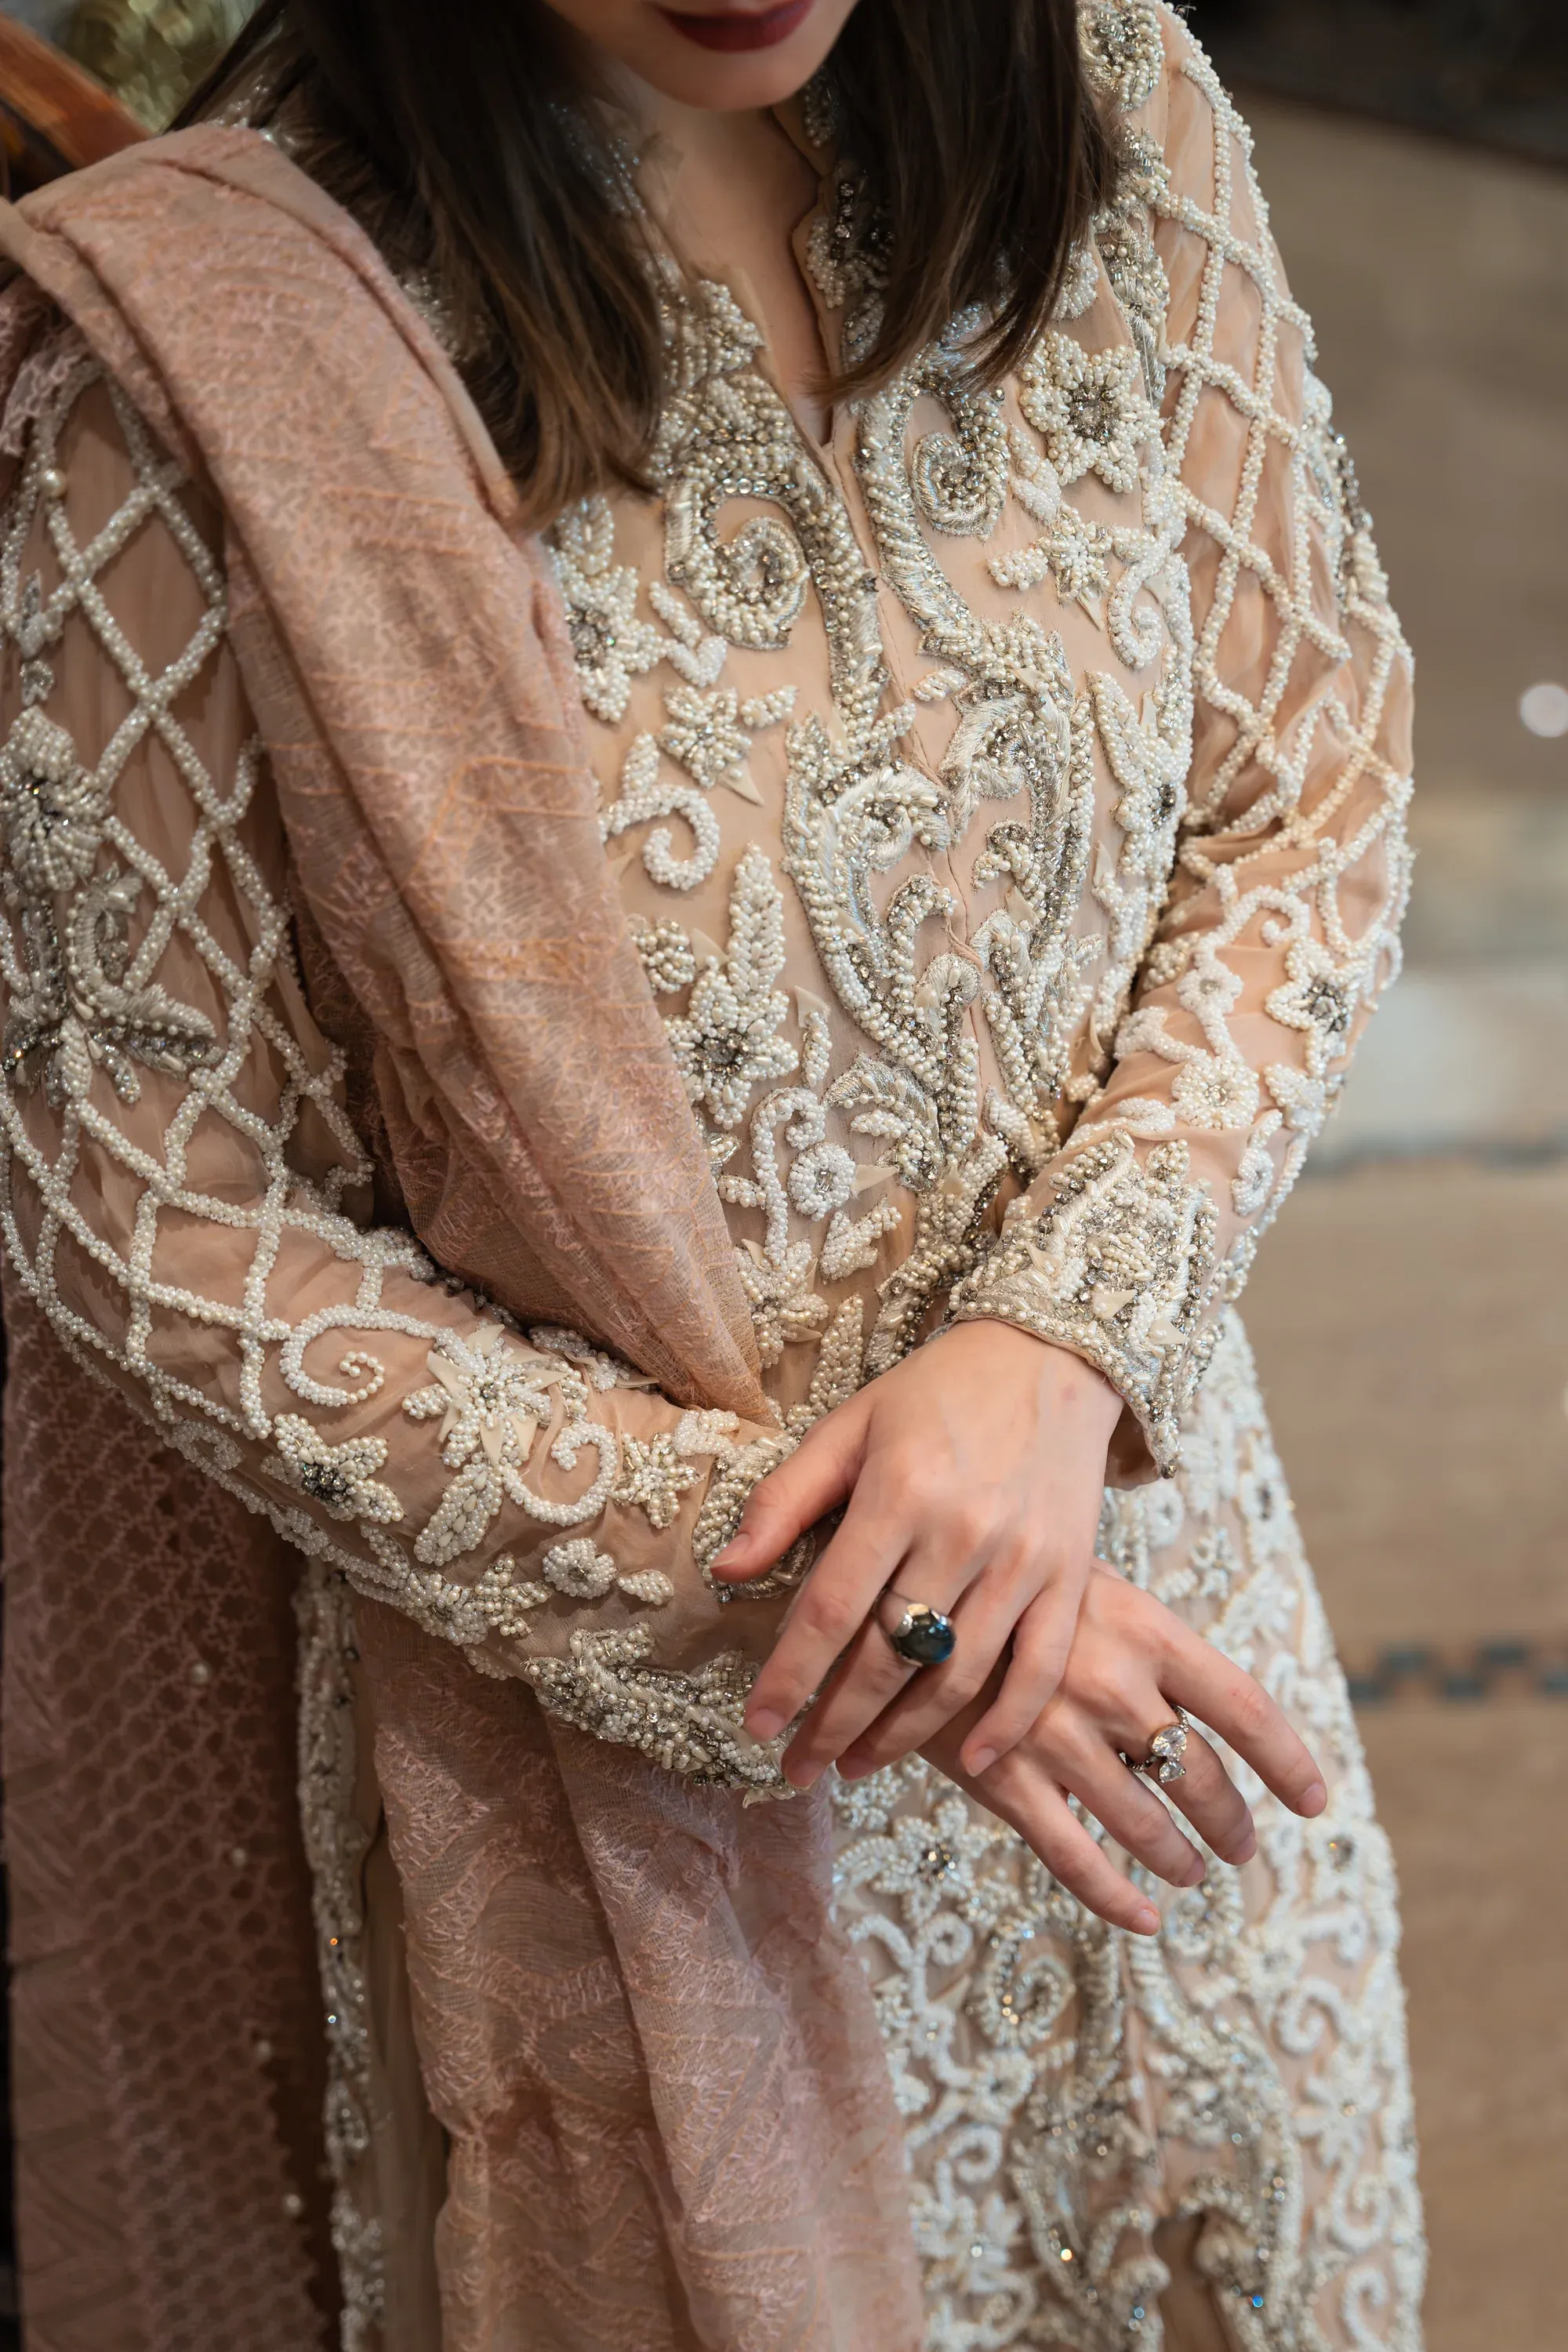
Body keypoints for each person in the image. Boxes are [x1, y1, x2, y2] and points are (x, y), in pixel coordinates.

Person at [0, 1, 1424, 2345]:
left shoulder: (1110, 97)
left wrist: (1057, 1347)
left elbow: (1311, 780)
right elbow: (151, 1207)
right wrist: (819, 1588)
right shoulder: (217, 347)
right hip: (660, 1768)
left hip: (1172, 1653)